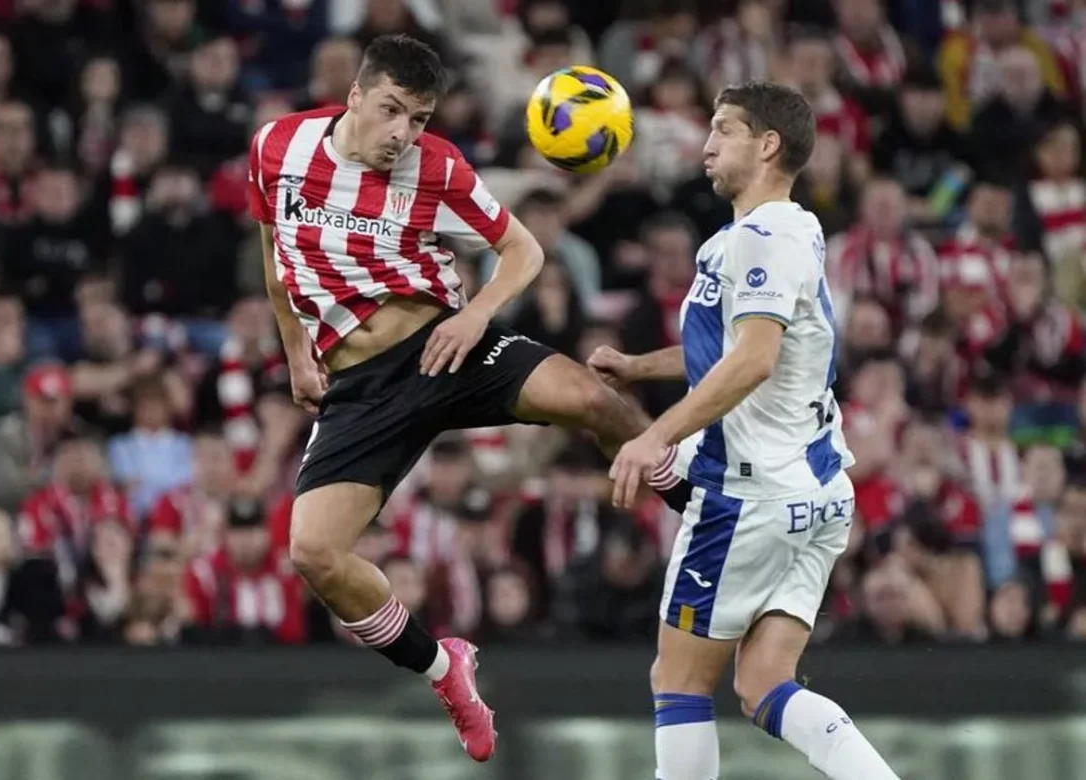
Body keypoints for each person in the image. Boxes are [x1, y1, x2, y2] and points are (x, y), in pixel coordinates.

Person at [249, 34, 689, 763]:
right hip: (360, 386)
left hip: (445, 346)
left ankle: (696, 504)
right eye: (392, 110)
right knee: (314, 554)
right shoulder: (277, 148)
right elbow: (274, 252)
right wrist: (297, 351)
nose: (403, 133)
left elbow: (525, 251)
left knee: (594, 398)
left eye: (418, 118)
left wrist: (475, 312)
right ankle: (442, 669)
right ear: (355, 95)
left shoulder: (437, 167)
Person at [589, 82, 900, 780]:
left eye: (724, 130)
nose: (705, 145)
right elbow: (743, 349)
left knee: (678, 682)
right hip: (818, 492)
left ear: (767, 145)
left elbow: (755, 361)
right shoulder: (788, 229)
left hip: (750, 499)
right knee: (764, 686)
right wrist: (641, 366)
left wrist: (654, 435)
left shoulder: (762, 239)